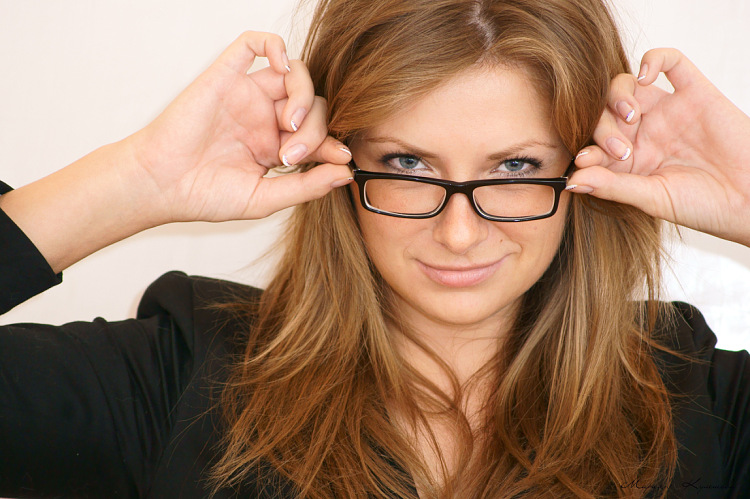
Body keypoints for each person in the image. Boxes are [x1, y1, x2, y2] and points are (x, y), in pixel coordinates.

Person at [1, 0, 749, 497]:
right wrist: (138, 179)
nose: (459, 233)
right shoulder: (186, 379)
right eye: (407, 164)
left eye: (516, 167)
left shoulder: (704, 409)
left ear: (587, 168)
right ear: (340, 161)